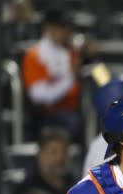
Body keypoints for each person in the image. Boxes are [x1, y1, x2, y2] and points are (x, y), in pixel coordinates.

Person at [21, 7, 82, 140]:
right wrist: (70, 77)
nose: (67, 31)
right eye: (62, 27)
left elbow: (103, 78)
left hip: (77, 109)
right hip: (47, 115)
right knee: (73, 121)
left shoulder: (74, 51)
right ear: (48, 28)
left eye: (68, 27)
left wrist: (95, 58)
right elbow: (39, 96)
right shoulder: (34, 55)